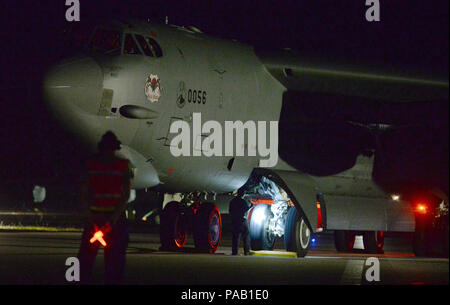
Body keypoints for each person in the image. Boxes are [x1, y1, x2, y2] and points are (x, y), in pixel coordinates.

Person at [77, 131, 133, 284]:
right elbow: (125, 196)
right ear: (115, 148)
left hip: (95, 217)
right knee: (115, 263)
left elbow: (84, 193)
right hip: (115, 220)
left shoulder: (91, 164)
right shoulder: (123, 165)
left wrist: (91, 219)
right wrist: (113, 220)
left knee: (85, 261)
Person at [229, 188, 251, 255]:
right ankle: (246, 251)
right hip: (242, 220)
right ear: (242, 194)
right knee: (246, 236)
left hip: (235, 221)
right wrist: (250, 205)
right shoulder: (243, 201)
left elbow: (230, 211)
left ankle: (234, 252)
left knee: (235, 237)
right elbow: (245, 209)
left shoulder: (232, 201)